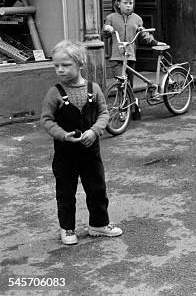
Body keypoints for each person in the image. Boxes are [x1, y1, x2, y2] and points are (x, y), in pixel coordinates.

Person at [41, 40, 122, 245]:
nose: (60, 70)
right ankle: (67, 228)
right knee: (65, 192)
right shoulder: (54, 93)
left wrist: (95, 131)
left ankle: (99, 224)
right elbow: (46, 120)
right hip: (65, 153)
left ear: (80, 64)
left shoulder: (93, 89)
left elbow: (104, 113)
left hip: (90, 151)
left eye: (65, 65)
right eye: (56, 65)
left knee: (97, 188)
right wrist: (62, 134)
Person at [102, 0, 164, 87]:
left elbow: (144, 35)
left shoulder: (137, 19)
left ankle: (130, 101)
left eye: (130, 3)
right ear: (118, 4)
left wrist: (155, 42)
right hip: (116, 56)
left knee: (129, 84)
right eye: (125, 3)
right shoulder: (111, 18)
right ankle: (121, 100)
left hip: (130, 55)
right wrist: (107, 29)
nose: (128, 6)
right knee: (120, 82)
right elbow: (104, 34)